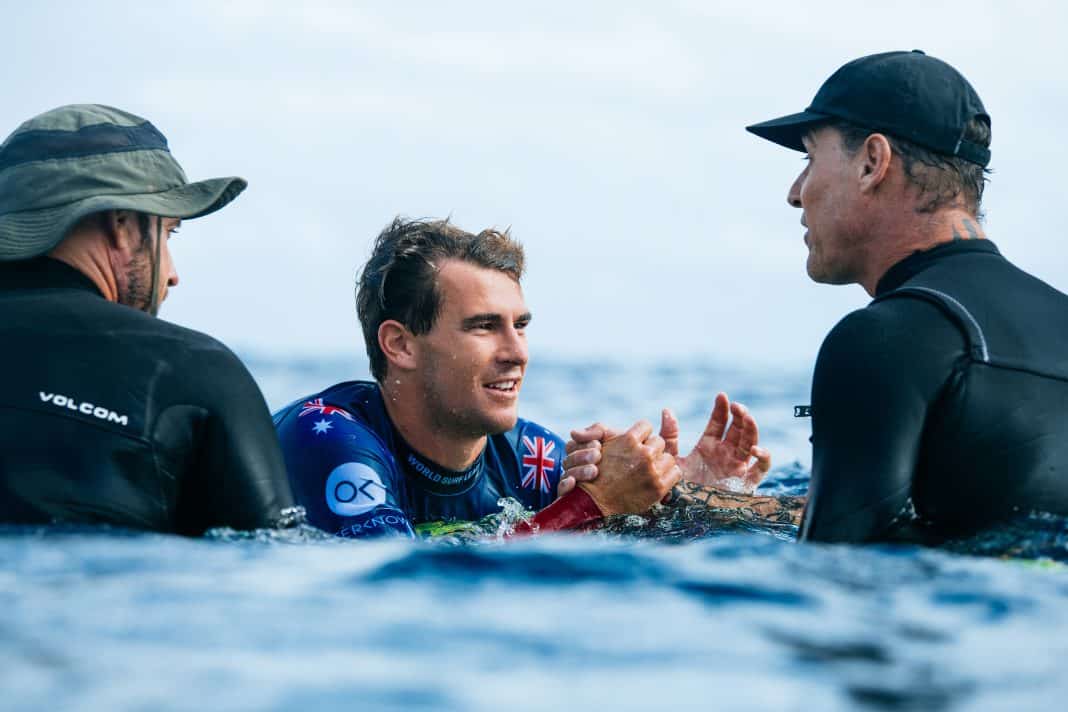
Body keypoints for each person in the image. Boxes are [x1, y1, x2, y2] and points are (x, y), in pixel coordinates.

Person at [740, 50, 1068, 544]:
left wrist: (660, 518)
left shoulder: (884, 339)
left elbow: (840, 573)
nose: (795, 192)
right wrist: (716, 496)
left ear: (873, 162)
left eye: (809, 159)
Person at [275, 218, 765, 538]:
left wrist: (679, 498)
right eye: (484, 327)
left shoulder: (530, 456)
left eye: (521, 326)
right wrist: (592, 506)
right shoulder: (329, 439)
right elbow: (396, 586)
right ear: (400, 345)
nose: (516, 353)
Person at [0, 104, 296, 535]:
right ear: (121, 224)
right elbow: (274, 556)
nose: (172, 274)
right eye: (168, 233)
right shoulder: (196, 370)